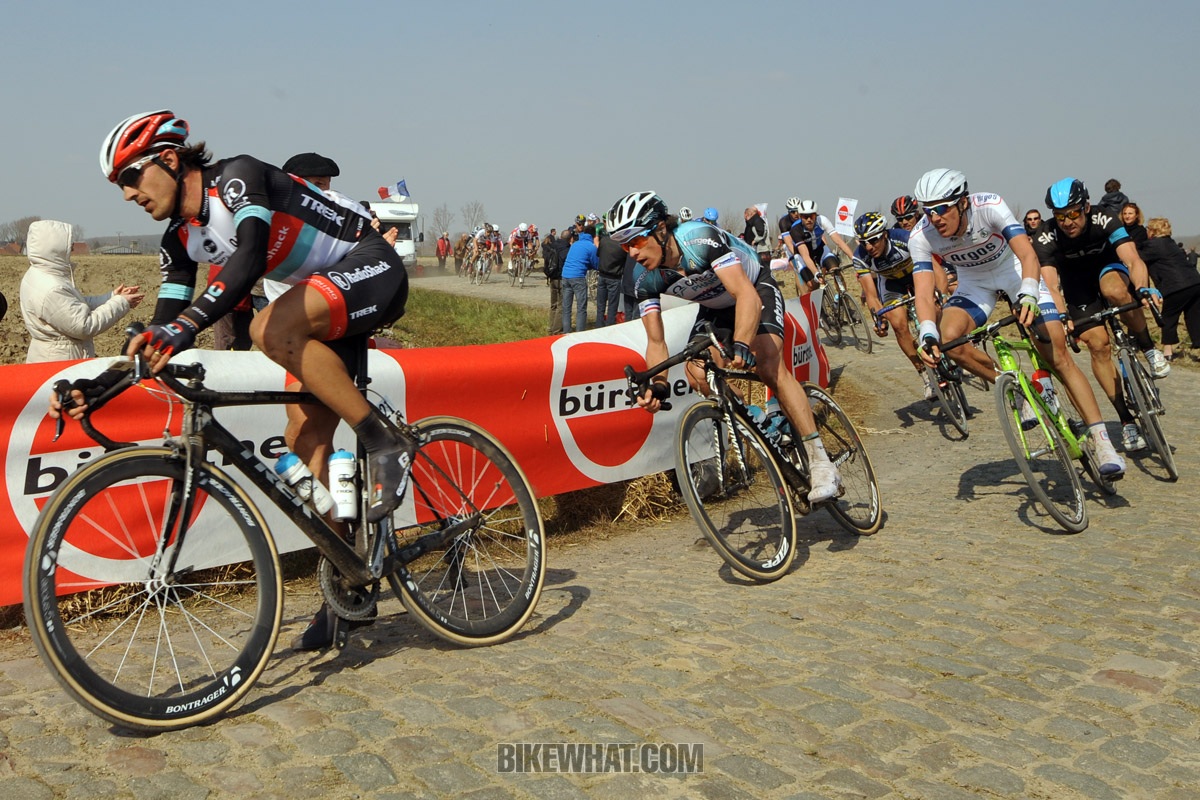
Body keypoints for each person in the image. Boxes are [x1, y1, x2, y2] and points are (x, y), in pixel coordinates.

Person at [79, 110, 417, 650]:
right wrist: (109, 376)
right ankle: (353, 588)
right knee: (304, 443)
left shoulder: (238, 178)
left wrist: (187, 327)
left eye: (129, 177)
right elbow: (168, 320)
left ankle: (385, 440)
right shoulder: (177, 241)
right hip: (320, 296)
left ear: (168, 159)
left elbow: (250, 255)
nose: (125, 195)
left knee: (266, 327)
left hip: (368, 264)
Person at [606, 191, 842, 503]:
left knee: (768, 363)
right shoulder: (643, 278)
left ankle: (820, 461)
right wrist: (659, 384)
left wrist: (743, 343)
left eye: (635, 241)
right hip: (715, 307)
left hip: (753, 287)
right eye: (624, 246)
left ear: (660, 229)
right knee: (696, 372)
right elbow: (656, 341)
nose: (631, 253)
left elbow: (746, 295)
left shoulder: (699, 239)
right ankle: (756, 418)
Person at [910, 168, 1126, 477]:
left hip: (1014, 272)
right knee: (949, 340)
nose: (935, 218)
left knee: (1057, 352)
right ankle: (1018, 392)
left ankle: (1102, 441)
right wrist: (926, 333)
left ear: (962, 203)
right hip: (974, 284)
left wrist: (1028, 293)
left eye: (942, 209)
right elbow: (923, 292)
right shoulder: (921, 235)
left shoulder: (989, 206)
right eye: (928, 211)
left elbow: (1027, 254)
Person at [1034, 178, 1170, 453]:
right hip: (1076, 286)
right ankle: (1126, 420)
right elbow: (1049, 284)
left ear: (1085, 207)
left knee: (1116, 291)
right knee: (1098, 345)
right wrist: (1062, 315)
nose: (1067, 221)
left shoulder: (1104, 217)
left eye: (1073, 213)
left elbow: (1132, 258)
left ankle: (1148, 348)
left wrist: (1143, 288)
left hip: (1108, 267)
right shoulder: (1046, 235)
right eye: (1060, 216)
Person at [20, 219, 144, 362]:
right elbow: (84, 326)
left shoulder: (40, 274)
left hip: (50, 357)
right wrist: (121, 303)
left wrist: (112, 297)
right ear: (54, 248)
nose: (72, 249)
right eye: (68, 246)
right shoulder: (52, 288)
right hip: (59, 362)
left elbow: (75, 305)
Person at [850, 212, 936, 400]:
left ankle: (945, 348)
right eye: (864, 242)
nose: (869, 247)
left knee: (935, 308)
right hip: (891, 284)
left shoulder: (905, 238)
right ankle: (925, 375)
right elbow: (872, 296)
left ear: (885, 234)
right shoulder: (860, 257)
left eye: (873, 240)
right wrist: (879, 318)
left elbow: (931, 263)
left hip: (916, 274)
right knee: (898, 325)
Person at [1138, 217, 1200, 362]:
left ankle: (1167, 351)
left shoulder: (1153, 245)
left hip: (1176, 286)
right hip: (1195, 282)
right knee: (1194, 317)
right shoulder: (1170, 243)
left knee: (1168, 318)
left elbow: (1136, 258)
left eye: (1148, 228)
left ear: (1153, 231)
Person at [560, 222, 598, 333]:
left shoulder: (575, 244)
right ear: (593, 236)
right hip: (578, 277)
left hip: (565, 275)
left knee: (566, 307)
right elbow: (596, 264)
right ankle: (579, 333)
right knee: (581, 308)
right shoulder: (591, 247)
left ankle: (566, 332)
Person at [594, 227, 625, 327]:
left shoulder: (604, 241)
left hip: (602, 275)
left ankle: (599, 325)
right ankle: (609, 326)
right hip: (614, 277)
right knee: (612, 306)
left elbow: (598, 254)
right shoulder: (622, 245)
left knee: (600, 304)